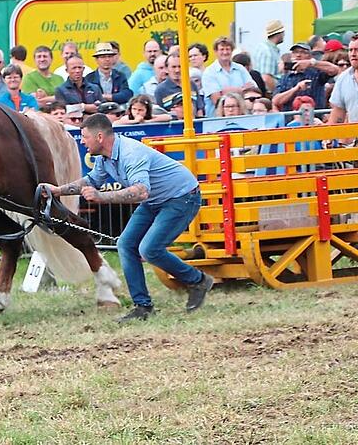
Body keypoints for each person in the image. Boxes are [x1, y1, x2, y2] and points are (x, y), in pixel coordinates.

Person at [41, 113, 212, 322]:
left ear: (100, 137)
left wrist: (101, 197)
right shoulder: (105, 158)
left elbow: (141, 192)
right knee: (125, 244)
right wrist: (57, 190)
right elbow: (92, 180)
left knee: (149, 249)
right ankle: (142, 306)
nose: (83, 142)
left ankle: (198, 280)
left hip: (181, 198)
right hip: (156, 201)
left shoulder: (131, 154)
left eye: (85, 137)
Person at [271, 42, 340, 111]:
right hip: (291, 119)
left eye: (303, 52)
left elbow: (335, 70)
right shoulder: (285, 77)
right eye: (295, 52)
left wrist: (312, 63)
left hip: (314, 118)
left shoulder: (316, 72)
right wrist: (296, 89)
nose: (298, 55)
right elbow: (276, 101)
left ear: (310, 56)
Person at [200, 37, 254, 117]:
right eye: (222, 49)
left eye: (228, 49)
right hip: (216, 121)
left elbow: (252, 92)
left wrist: (226, 91)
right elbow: (217, 101)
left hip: (242, 118)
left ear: (232, 51)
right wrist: (241, 90)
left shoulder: (240, 69)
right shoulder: (209, 72)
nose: (225, 52)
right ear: (216, 51)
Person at [253, 20, 285, 91]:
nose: (284, 35)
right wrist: (276, 93)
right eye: (283, 32)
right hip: (269, 93)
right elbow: (266, 78)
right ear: (278, 34)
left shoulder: (262, 47)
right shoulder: (268, 52)